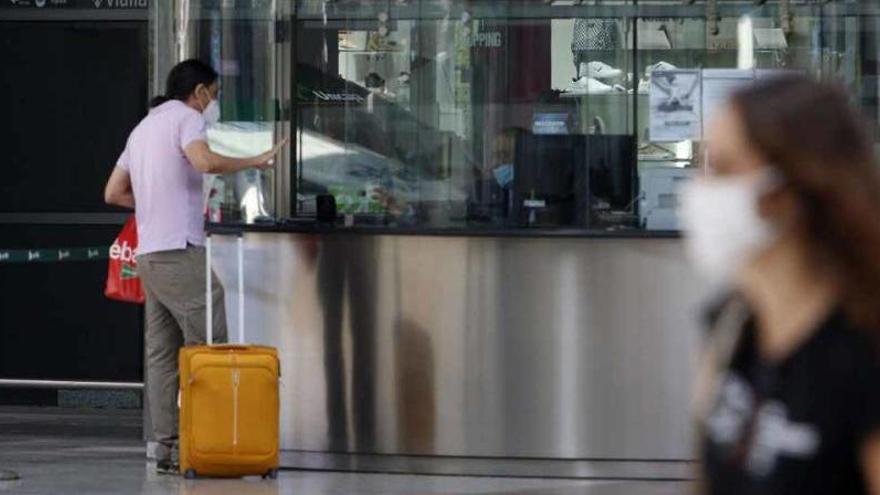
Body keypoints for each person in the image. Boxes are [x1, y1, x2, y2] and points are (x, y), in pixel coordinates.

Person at [681, 76, 880, 494]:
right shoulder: (729, 325)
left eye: (723, 167)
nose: (700, 190)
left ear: (787, 189)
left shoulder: (862, 353)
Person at [103, 59, 286, 474]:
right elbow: (204, 163)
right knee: (209, 345)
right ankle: (214, 442)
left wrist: (153, 202)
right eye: (214, 95)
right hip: (178, 250)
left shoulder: (143, 128)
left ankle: (167, 449)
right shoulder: (186, 118)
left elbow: (113, 192)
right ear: (199, 92)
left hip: (149, 254)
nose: (213, 103)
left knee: (163, 353)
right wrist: (254, 161)